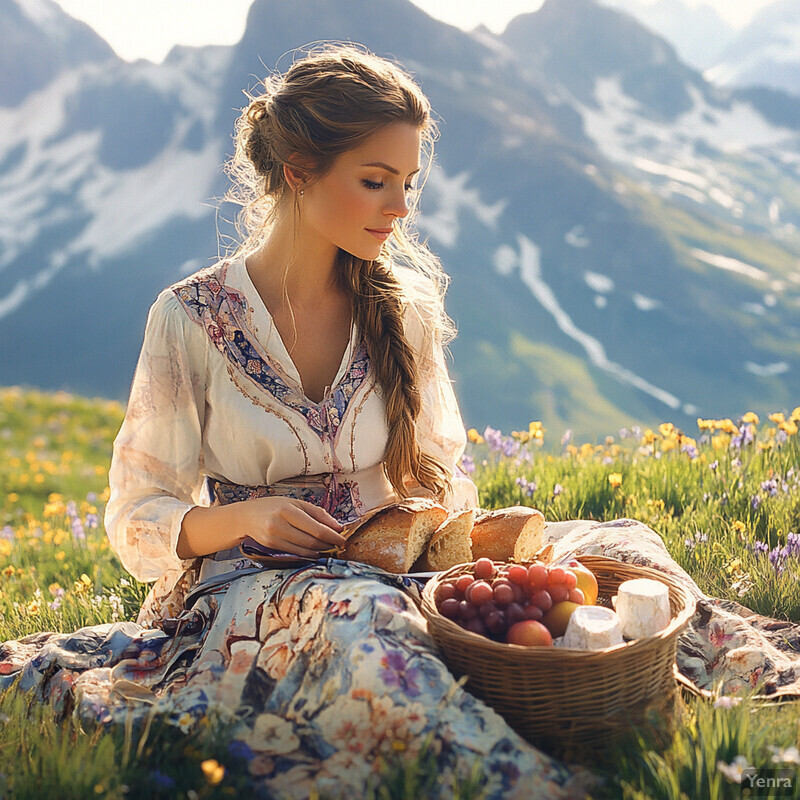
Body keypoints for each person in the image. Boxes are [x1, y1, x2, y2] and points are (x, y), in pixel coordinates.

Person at [3, 41, 800, 800]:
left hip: (401, 558)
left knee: (620, 548)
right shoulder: (188, 319)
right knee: (370, 622)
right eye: (377, 180)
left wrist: (464, 552)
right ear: (298, 172)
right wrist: (246, 517)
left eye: (410, 183)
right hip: (256, 585)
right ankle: (545, 782)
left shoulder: (404, 308)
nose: (401, 207)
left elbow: (442, 471)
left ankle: (727, 711)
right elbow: (137, 516)